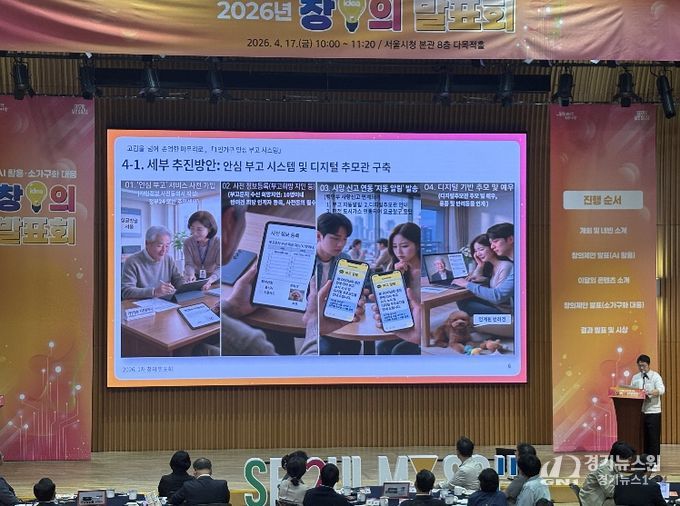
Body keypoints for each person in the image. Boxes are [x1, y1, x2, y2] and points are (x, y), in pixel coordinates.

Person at [218, 198, 277, 356]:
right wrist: (315, 322)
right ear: (228, 223)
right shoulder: (250, 345)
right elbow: (304, 371)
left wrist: (232, 306)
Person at [316, 212, 361, 355]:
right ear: (318, 236)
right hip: (312, 319)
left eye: (345, 239)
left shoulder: (345, 259)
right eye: (335, 238)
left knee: (354, 345)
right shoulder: (305, 258)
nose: (341, 244)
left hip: (337, 317)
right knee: (325, 349)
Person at [377, 222, 422, 355]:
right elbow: (388, 300)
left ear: (418, 245)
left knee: (398, 351)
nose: (399, 252)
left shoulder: (424, 270)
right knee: (382, 347)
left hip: (425, 322)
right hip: (405, 321)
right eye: (395, 247)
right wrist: (396, 277)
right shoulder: (394, 265)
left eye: (404, 246)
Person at [454, 234, 513, 316]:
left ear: (492, 248)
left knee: (464, 303)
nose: (478, 254)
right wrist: (480, 265)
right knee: (462, 299)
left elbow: (497, 297)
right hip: (494, 304)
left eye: (481, 249)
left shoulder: (506, 266)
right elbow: (474, 281)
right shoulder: (492, 266)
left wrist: (466, 284)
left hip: (503, 311)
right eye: (476, 251)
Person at [121, 225, 185, 299]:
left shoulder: (168, 259)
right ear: (147, 244)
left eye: (167, 246)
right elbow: (126, 291)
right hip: (141, 304)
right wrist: (154, 292)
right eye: (159, 246)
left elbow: (177, 280)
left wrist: (187, 284)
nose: (164, 250)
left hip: (164, 302)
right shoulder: (132, 261)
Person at [630, 354, 665, 466]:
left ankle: (654, 463)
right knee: (642, 438)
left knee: (653, 438)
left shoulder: (655, 376)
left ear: (648, 365)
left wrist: (650, 392)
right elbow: (631, 390)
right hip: (640, 412)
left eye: (643, 366)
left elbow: (661, 389)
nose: (641, 368)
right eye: (639, 366)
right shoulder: (635, 377)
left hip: (653, 412)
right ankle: (644, 462)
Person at [579, 441, 634, 506]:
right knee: (628, 501)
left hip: (602, 497)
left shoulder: (613, 465)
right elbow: (610, 492)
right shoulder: (604, 468)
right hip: (593, 501)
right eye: (628, 459)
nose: (629, 462)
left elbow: (620, 482)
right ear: (619, 458)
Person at [182, 210, 220, 290]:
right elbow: (189, 264)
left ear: (209, 229)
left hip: (214, 279)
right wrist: (191, 274)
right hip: (195, 278)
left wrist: (210, 280)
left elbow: (220, 267)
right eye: (192, 228)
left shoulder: (218, 243)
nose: (194, 233)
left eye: (199, 229)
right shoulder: (188, 242)